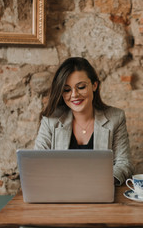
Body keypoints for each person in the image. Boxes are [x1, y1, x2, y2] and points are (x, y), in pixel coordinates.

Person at [34, 57, 133, 185]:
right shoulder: (50, 121)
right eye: (67, 90)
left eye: (81, 87)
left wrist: (99, 181)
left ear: (94, 85)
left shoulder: (115, 118)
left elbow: (124, 164)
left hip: (99, 190)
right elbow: (37, 164)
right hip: (60, 191)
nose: (74, 94)